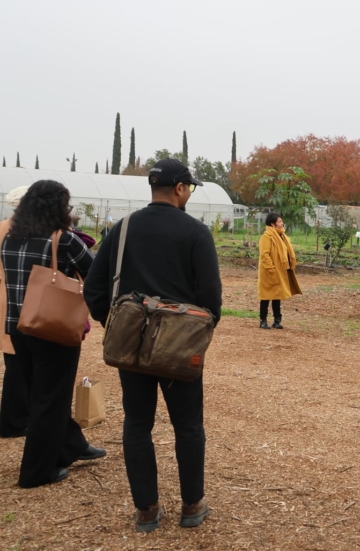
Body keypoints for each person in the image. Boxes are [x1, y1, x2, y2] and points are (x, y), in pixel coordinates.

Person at [84, 159, 222, 533]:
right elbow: (212, 298)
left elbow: (93, 289)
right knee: (188, 425)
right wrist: (195, 332)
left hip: (132, 346)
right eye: (189, 188)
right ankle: (192, 505)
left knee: (137, 424)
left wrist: (117, 326)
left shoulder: (123, 228)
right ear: (179, 189)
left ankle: (146, 510)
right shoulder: (196, 233)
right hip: (179, 346)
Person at [0, 180, 105, 487]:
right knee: (52, 401)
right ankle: (36, 472)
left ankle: (68, 448)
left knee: (38, 396)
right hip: (52, 328)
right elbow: (95, 273)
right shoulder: (63, 239)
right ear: (58, 207)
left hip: (18, 327)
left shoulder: (10, 239)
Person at [0, 186, 30, 439]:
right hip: (17, 300)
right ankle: (13, 421)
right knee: (18, 365)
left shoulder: (2, 228)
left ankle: (17, 417)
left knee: (14, 361)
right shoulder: (24, 231)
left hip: (4, 299)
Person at [257, 212, 300, 329]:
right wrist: (271, 269)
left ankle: (277, 320)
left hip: (280, 271)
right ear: (272, 224)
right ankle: (263, 320)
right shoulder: (266, 237)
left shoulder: (282, 236)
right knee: (266, 296)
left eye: (282, 221)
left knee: (277, 295)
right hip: (269, 271)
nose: (282, 223)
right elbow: (264, 255)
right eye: (279, 222)